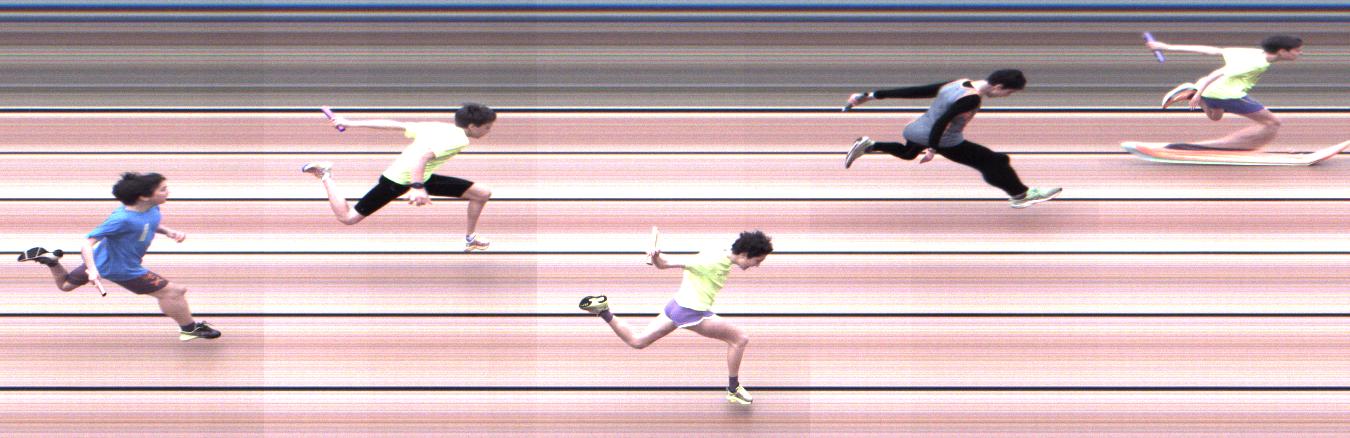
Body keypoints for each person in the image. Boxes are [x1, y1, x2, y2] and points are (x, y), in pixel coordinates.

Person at [17, 172, 221, 341]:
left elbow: (149, 223)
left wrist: (168, 231)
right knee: (174, 292)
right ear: (144, 196)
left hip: (102, 259)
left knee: (66, 285)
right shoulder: (121, 219)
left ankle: (51, 261)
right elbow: (86, 243)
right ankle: (189, 329)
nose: (167, 192)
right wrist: (93, 271)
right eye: (162, 189)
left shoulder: (151, 207)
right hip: (120, 268)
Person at [579, 229, 773, 405]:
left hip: (676, 306)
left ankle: (603, 310)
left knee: (637, 341)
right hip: (691, 312)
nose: (757, 265)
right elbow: (665, 264)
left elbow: (740, 243)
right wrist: (657, 258)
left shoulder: (723, 251)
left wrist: (657, 255)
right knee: (739, 339)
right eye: (757, 261)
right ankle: (733, 389)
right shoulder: (711, 261)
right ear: (745, 255)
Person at [842, 69, 1061, 208]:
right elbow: (943, 122)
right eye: (1009, 93)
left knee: (908, 153)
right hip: (941, 139)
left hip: (915, 129)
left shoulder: (959, 82)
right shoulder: (971, 99)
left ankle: (870, 145)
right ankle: (1020, 195)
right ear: (998, 87)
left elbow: (918, 91)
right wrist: (932, 149)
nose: (1006, 96)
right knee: (995, 161)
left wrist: (871, 95)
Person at [301, 103, 497, 251]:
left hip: (421, 175)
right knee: (348, 218)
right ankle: (325, 174)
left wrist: (350, 123)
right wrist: (417, 187)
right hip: (398, 180)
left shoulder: (439, 127)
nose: (488, 131)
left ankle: (470, 239)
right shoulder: (459, 139)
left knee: (481, 193)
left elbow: (395, 125)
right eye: (487, 127)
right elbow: (421, 157)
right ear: (472, 126)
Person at [1150, 35, 1304, 152]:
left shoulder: (1253, 53)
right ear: (1282, 51)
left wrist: (1166, 47)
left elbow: (1211, 51)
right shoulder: (1257, 64)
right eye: (1297, 50)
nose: (1300, 53)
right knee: (1273, 123)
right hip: (1227, 95)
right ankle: (1230, 146)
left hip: (1210, 92)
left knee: (1215, 117)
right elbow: (1218, 73)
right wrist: (1199, 94)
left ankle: (1192, 92)